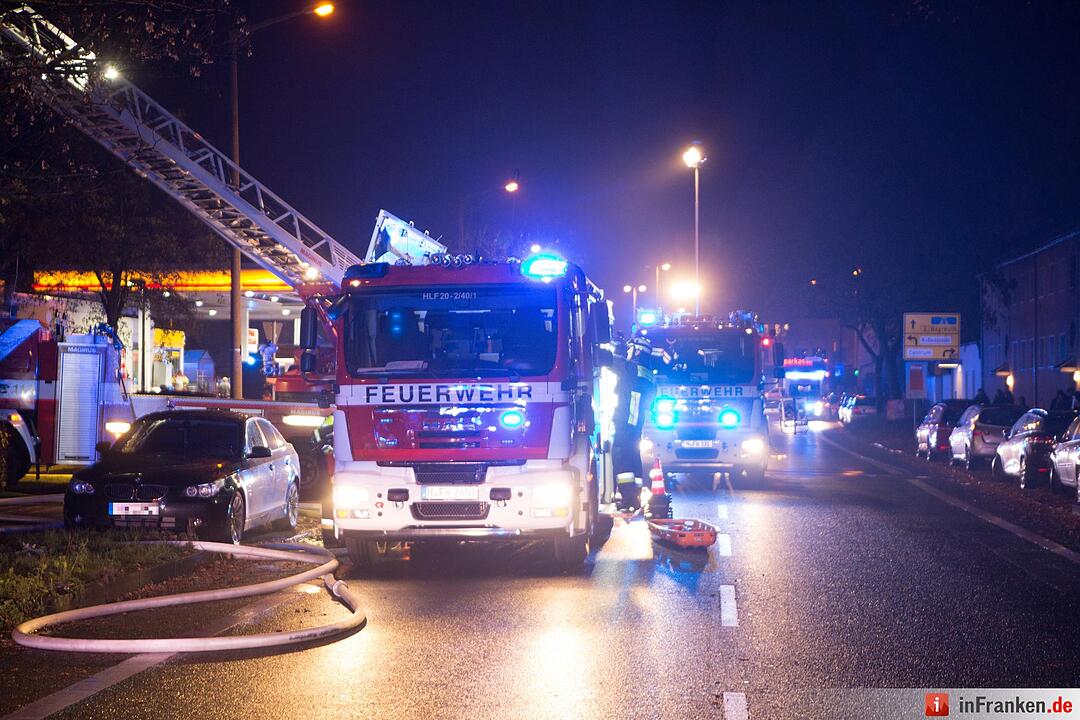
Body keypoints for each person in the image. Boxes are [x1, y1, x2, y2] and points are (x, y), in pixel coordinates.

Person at [610, 338, 655, 512]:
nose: (628, 352)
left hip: (626, 421)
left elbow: (610, 361)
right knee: (633, 458)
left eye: (630, 349)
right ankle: (634, 496)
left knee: (621, 458)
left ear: (637, 351)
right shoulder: (647, 373)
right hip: (636, 424)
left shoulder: (632, 368)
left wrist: (617, 350)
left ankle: (628, 497)